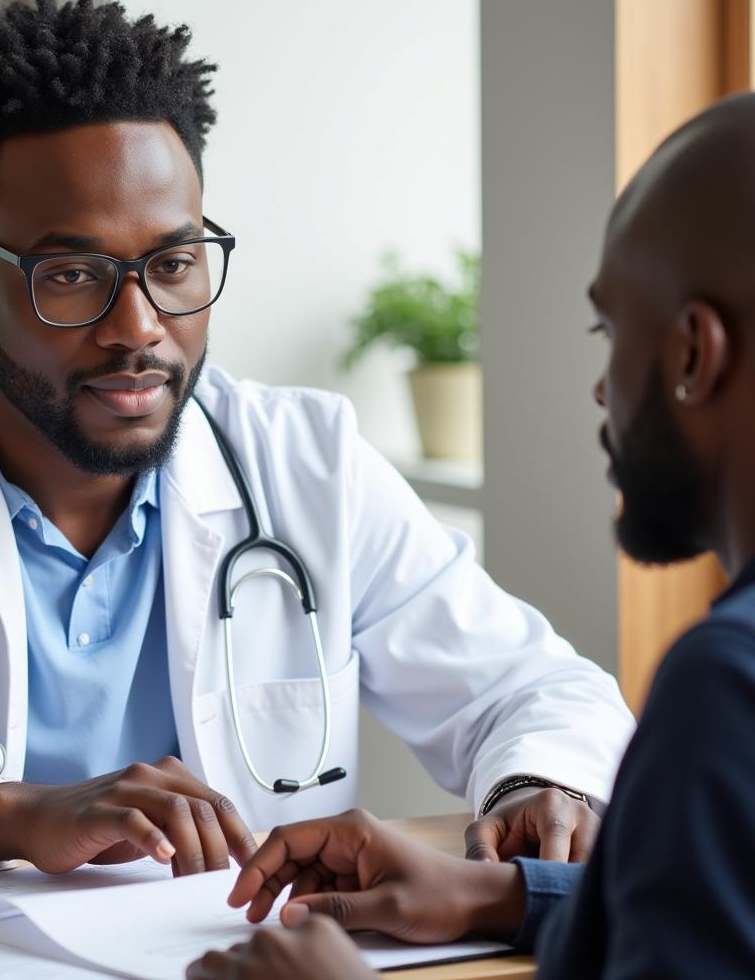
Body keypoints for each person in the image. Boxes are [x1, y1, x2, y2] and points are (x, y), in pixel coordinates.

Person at [0, 0, 631, 883]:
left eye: (171, 264)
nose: (140, 326)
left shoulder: (304, 460)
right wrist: (16, 814)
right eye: (74, 273)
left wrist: (538, 780)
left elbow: (534, 688)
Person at [186, 91, 755, 980]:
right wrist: (501, 895)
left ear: (693, 354)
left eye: (610, 332)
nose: (603, 389)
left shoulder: (728, 686)